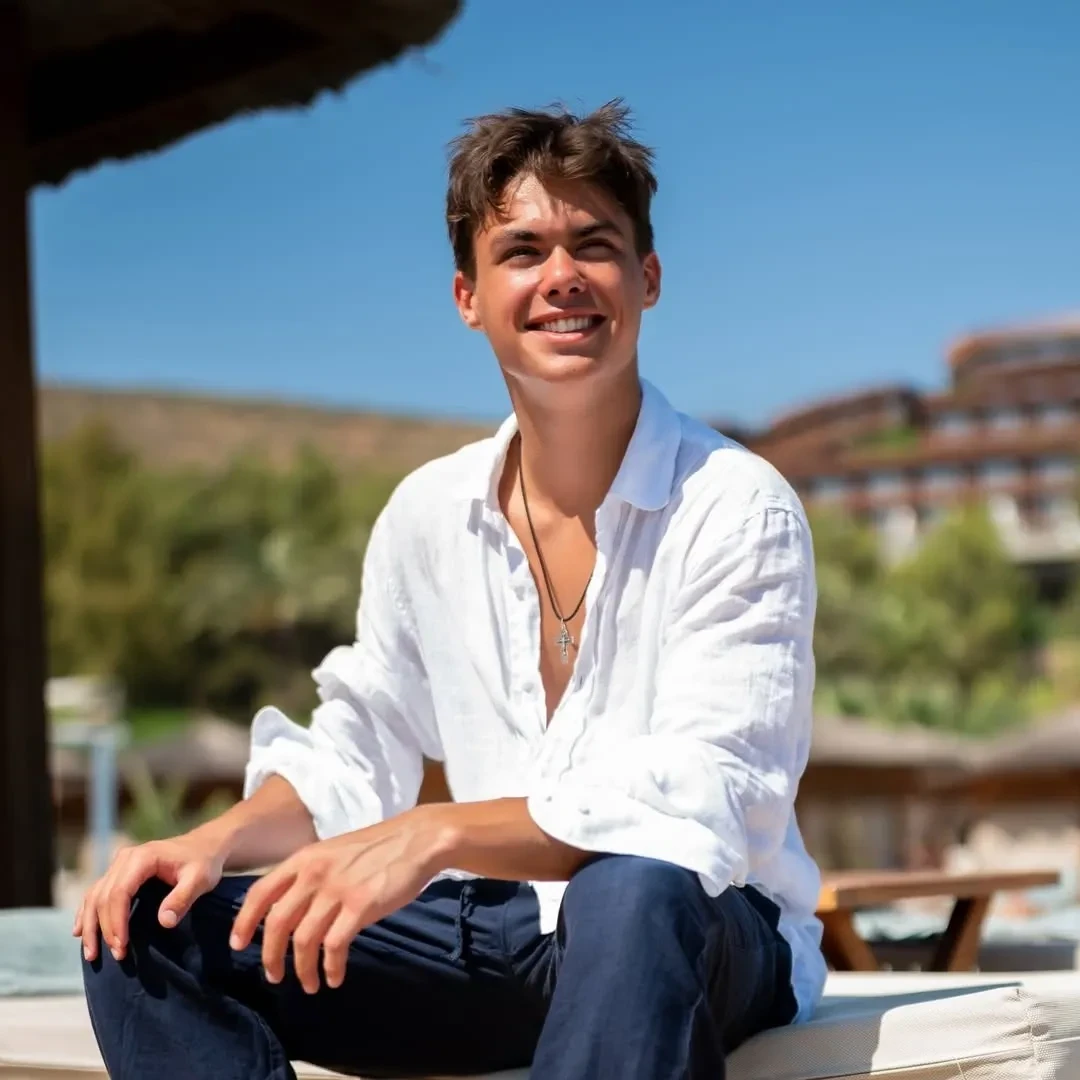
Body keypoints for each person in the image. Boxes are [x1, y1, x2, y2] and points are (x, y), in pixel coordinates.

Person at [79, 101, 826, 1080]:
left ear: (646, 278)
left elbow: (706, 796)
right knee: (144, 922)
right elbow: (357, 750)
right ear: (468, 296)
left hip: (705, 928)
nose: (562, 275)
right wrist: (210, 843)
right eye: (522, 251)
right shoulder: (428, 513)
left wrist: (435, 834)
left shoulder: (736, 505)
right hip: (493, 935)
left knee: (632, 884)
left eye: (594, 245)